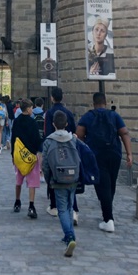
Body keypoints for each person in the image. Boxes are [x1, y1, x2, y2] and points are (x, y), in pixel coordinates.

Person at [76, 92, 132, 232]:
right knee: (111, 184)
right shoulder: (114, 115)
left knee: (102, 185)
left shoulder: (88, 116)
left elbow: (79, 135)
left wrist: (83, 152)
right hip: (114, 154)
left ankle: (108, 219)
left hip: (97, 155)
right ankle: (107, 213)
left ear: (93, 103)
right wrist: (129, 153)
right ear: (105, 103)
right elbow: (124, 133)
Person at [42, 110, 79, 257]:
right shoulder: (73, 139)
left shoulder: (49, 141)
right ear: (67, 124)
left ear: (53, 124)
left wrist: (48, 179)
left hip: (58, 179)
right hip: (73, 178)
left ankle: (69, 236)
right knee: (69, 207)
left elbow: (45, 164)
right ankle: (70, 235)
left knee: (62, 209)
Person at [44, 87, 79, 223]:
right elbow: (75, 131)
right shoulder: (68, 113)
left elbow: (47, 133)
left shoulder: (50, 112)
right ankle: (74, 209)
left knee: (55, 178)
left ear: (52, 98)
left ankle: (54, 206)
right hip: (69, 150)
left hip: (54, 151)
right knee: (70, 179)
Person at [11, 98, 42, 219]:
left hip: (19, 155)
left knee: (19, 180)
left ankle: (17, 201)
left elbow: (14, 138)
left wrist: (13, 155)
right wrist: (36, 152)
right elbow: (36, 139)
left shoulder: (17, 121)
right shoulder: (32, 122)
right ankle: (31, 205)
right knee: (32, 182)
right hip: (30, 155)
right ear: (28, 109)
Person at [32, 97, 45, 181]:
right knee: (41, 153)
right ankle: (41, 173)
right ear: (42, 105)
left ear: (35, 104)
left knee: (34, 153)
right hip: (42, 135)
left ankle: (33, 172)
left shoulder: (31, 113)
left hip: (34, 135)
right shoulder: (45, 114)